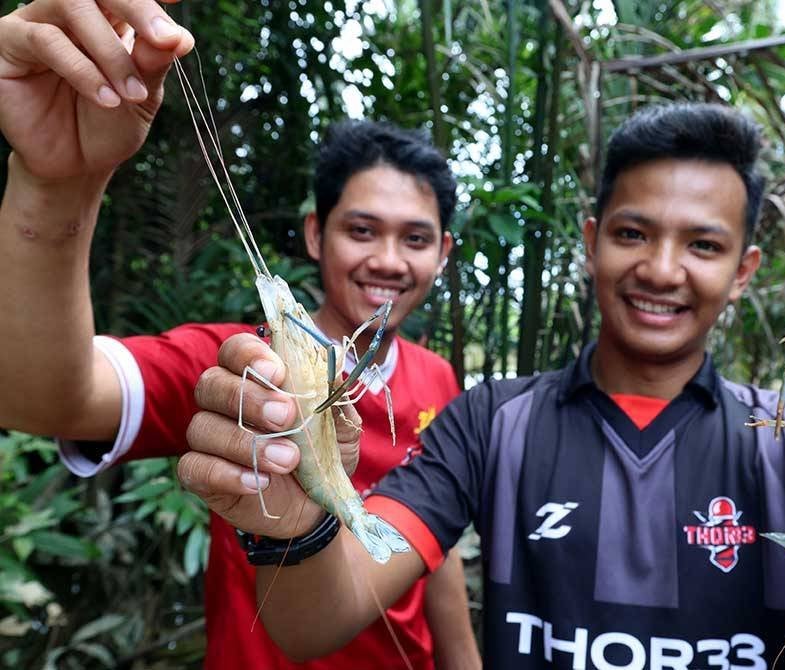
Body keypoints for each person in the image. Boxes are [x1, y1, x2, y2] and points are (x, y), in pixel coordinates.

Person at [185, 101, 785, 670]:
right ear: (591, 241)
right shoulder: (487, 421)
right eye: (633, 233)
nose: (662, 269)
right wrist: (291, 519)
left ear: (746, 269)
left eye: (705, 245)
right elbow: (311, 622)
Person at [0, 2, 480, 669]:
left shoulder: (438, 378)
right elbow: (38, 397)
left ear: (444, 252)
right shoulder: (232, 365)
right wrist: (53, 185)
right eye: (362, 230)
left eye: (416, 239)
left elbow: (438, 540)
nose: (390, 261)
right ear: (316, 234)